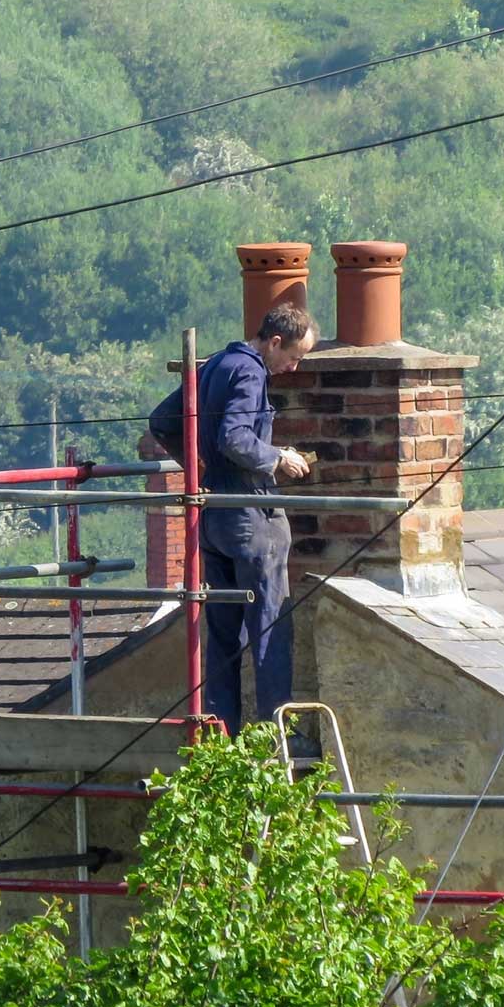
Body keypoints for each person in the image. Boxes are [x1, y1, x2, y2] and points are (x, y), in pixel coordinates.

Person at [149, 303, 316, 735]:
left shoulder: (215, 365)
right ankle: (274, 738)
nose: (293, 368)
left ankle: (221, 735)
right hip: (251, 517)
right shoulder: (250, 371)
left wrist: (198, 466)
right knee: (269, 628)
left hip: (214, 519)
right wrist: (278, 457)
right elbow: (236, 437)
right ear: (274, 342)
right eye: (294, 356)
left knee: (223, 634)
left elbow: (163, 421)